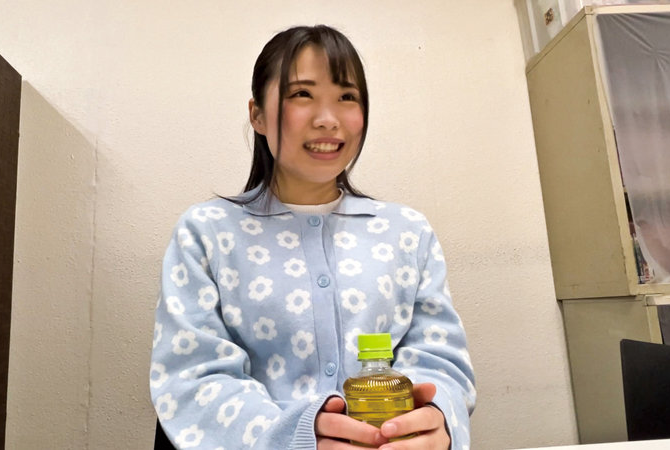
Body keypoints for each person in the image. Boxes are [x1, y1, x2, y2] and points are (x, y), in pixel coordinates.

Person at [149, 25, 476, 450]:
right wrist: (296, 437)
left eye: (347, 97)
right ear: (257, 115)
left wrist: (437, 418)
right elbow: (194, 377)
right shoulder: (207, 232)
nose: (328, 119)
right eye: (302, 94)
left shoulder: (407, 232)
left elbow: (440, 358)